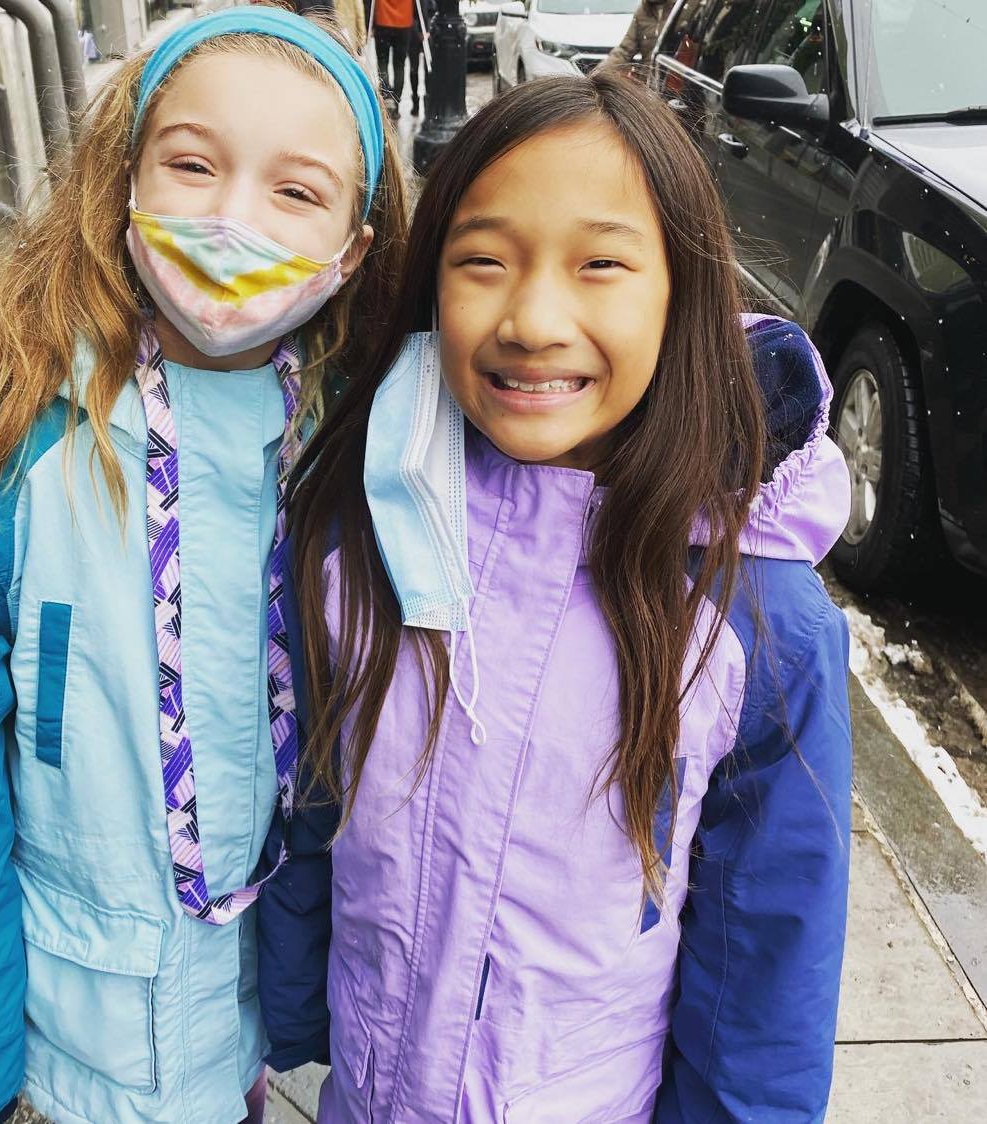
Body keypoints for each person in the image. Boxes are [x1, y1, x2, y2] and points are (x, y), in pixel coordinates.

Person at [258, 73, 854, 1121]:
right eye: (483, 262)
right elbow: (313, 798)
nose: (533, 320)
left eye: (601, 265)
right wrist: (294, 1004)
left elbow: (765, 961)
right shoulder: (364, 538)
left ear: (681, 295)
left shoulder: (757, 624)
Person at [0, 8, 407, 1124]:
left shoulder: (368, 452)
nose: (231, 219)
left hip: (248, 1026)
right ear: (123, 184)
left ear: (353, 250)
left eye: (295, 191)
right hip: (56, 1055)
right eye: (192, 166)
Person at [366, 0, 415, 117]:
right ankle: (396, 102)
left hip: (383, 19)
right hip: (404, 21)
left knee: (382, 61)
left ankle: (386, 95)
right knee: (399, 65)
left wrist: (368, 24)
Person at [599, 0, 676, 73]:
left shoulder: (679, 8)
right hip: (648, 77)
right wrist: (601, 71)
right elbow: (625, 50)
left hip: (673, 76)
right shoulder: (643, 11)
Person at [407, 0, 436, 117]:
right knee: (415, 68)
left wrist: (427, 30)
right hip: (416, 31)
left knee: (426, 67)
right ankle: (417, 103)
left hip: (423, 31)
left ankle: (424, 103)